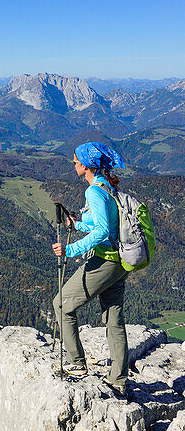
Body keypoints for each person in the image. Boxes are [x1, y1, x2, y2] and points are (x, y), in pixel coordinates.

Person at [52, 141, 129, 394]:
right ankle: (118, 379)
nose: (73, 164)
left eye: (75, 161)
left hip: (105, 260)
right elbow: (103, 225)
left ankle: (76, 363)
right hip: (120, 261)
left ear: (85, 165)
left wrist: (70, 249)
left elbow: (103, 230)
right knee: (113, 318)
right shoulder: (107, 185)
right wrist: (77, 224)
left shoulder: (93, 192)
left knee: (61, 305)